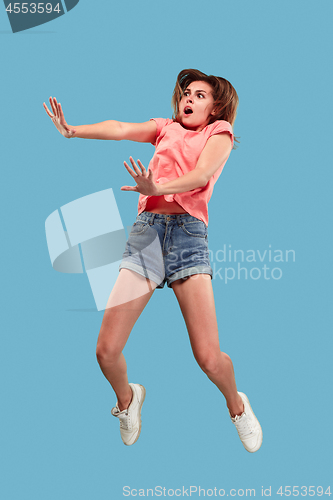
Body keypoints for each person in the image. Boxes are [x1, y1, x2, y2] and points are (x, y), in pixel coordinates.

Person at [43, 69, 263, 452]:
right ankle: (128, 400)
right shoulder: (165, 128)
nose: (188, 100)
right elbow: (119, 127)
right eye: (185, 94)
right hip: (146, 234)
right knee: (106, 351)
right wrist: (73, 130)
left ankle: (237, 406)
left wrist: (157, 187)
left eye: (199, 95)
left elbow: (200, 175)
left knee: (209, 358)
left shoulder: (219, 133)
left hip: (188, 237)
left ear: (216, 108)